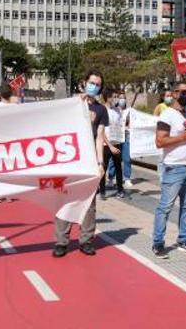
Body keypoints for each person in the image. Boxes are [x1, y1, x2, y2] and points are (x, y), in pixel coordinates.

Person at [52, 70, 106, 258]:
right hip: (70, 161)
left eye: (98, 84)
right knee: (66, 199)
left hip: (89, 161)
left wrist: (100, 163)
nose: (94, 86)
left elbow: (99, 137)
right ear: (84, 82)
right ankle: (61, 241)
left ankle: (86, 240)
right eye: (92, 82)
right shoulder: (71, 105)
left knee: (89, 203)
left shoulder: (101, 110)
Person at [152, 81, 186, 259]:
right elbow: (160, 141)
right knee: (165, 207)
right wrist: (183, 137)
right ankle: (158, 242)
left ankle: (184, 239)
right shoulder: (167, 115)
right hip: (173, 167)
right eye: (184, 92)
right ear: (174, 94)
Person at [100, 89, 125, 200]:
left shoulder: (118, 111)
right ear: (107, 97)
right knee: (103, 168)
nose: (116, 99)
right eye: (114, 96)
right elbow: (101, 131)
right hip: (105, 144)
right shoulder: (102, 110)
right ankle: (102, 191)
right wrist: (109, 145)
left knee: (118, 167)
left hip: (117, 142)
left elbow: (120, 126)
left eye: (117, 96)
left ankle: (120, 190)